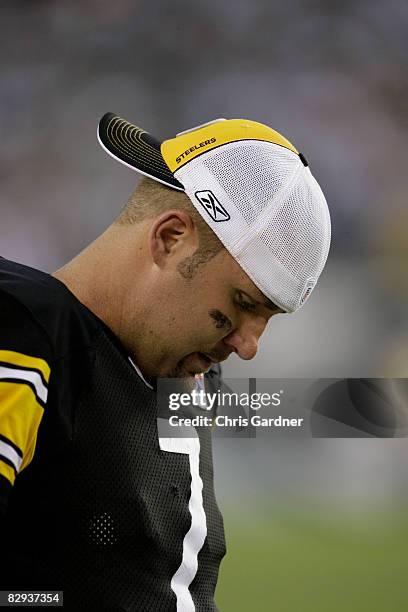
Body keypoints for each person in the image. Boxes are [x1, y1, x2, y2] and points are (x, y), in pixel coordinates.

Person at [0, 114, 331, 610]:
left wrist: (377, 409)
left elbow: (136, 422)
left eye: (268, 318)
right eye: (242, 304)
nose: (248, 346)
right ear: (171, 238)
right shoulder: (25, 334)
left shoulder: (178, 371)